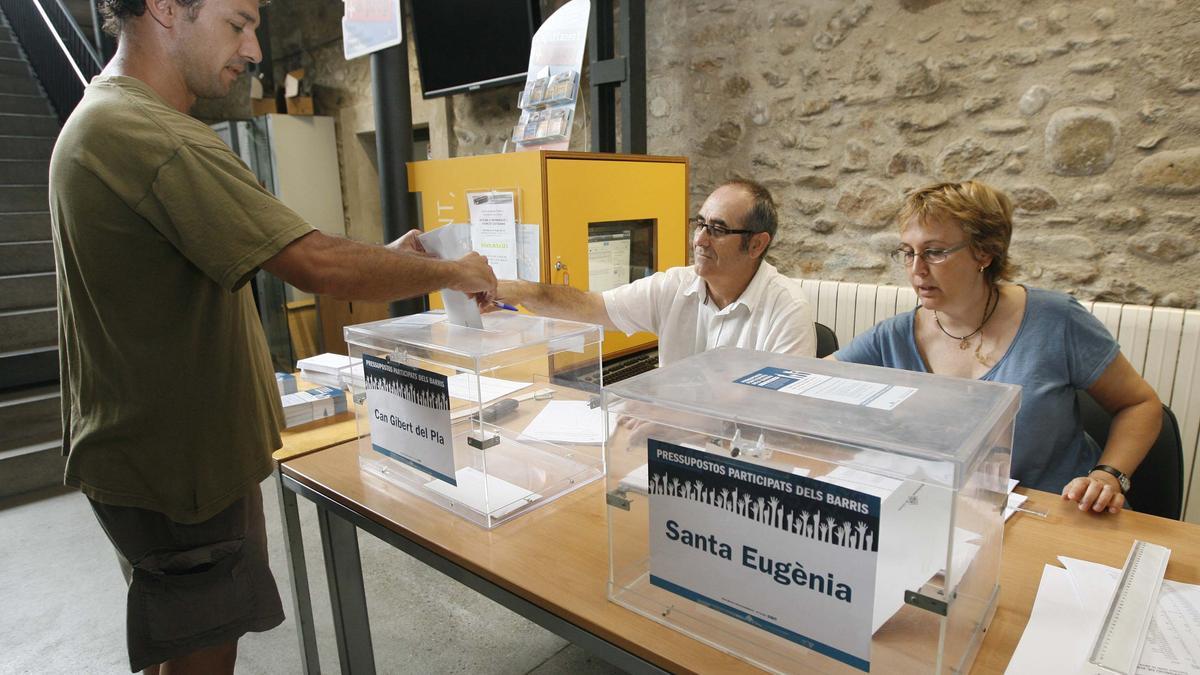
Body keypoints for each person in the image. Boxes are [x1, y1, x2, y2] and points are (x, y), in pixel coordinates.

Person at [49, 0, 496, 672]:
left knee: (185, 643)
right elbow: (311, 261)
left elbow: (269, 251)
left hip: (150, 457)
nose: (257, 49)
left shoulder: (108, 118)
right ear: (169, 10)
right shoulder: (150, 134)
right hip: (180, 473)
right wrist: (452, 270)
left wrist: (393, 257)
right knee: (202, 656)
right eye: (238, 23)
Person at [831, 181, 1161, 515]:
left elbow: (1140, 404)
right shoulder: (894, 336)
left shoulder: (1057, 320)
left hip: (1060, 514)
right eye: (908, 252)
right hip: (956, 517)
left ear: (984, 252)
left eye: (934, 252)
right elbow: (805, 382)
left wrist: (1109, 476)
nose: (917, 269)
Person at [487, 179, 817, 364]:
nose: (699, 239)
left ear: (757, 245)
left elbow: (779, 418)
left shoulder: (787, 309)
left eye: (717, 229)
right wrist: (518, 290)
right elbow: (590, 306)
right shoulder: (674, 286)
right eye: (699, 223)